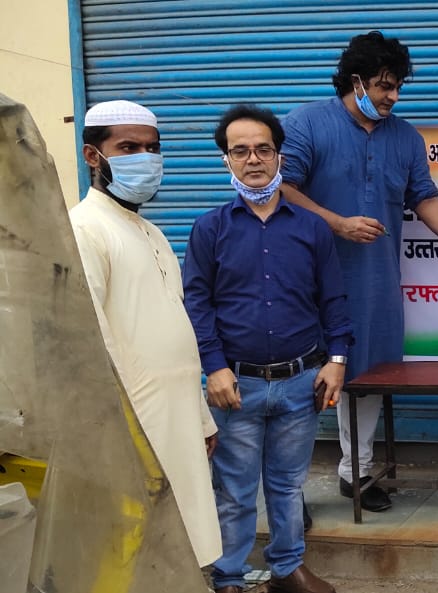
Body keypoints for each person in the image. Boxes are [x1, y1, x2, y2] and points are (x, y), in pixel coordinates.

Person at [280, 31, 438, 513]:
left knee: (368, 376)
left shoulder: (405, 137)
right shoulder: (306, 123)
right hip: (307, 280)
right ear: (356, 80)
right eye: (384, 86)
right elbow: (282, 190)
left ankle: (355, 473)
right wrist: (337, 223)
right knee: (300, 380)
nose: (392, 97)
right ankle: (287, 492)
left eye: (398, 87)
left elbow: (423, 198)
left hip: (374, 280)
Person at [183, 105, 353, 593]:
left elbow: (333, 300)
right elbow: (198, 305)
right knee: (234, 490)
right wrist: (213, 368)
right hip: (237, 385)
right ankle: (229, 577)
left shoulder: (311, 227)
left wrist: (336, 361)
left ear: (279, 156)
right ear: (226, 160)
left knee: (287, 485)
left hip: (301, 382)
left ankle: (287, 569)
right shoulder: (210, 229)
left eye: (263, 149)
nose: (253, 159)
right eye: (241, 151)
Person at [69, 100, 222, 568]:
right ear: (93, 156)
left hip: (176, 420)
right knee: (136, 551)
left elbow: (176, 334)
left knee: (183, 546)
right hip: (133, 429)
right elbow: (92, 340)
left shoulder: (151, 233)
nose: (145, 158)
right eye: (129, 147)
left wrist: (200, 418)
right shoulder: (84, 229)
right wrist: (121, 436)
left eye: (152, 148)